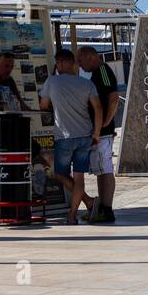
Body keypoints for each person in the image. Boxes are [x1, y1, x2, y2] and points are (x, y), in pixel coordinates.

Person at [38, 48, 103, 223]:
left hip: (64, 136)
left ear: (60, 63)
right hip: (85, 134)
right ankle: (74, 213)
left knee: (60, 174)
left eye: (57, 63)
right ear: (73, 64)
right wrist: (96, 133)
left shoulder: (52, 82)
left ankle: (84, 205)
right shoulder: (86, 83)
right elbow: (98, 108)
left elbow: (43, 105)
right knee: (79, 177)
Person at [77, 46, 120, 224]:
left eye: (80, 61)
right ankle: (102, 207)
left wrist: (105, 122)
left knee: (105, 169)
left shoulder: (102, 71)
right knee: (100, 171)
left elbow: (114, 97)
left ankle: (106, 208)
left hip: (102, 131)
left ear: (90, 56)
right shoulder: (97, 73)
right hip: (98, 130)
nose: (79, 65)